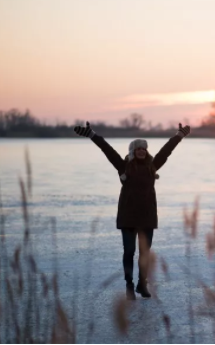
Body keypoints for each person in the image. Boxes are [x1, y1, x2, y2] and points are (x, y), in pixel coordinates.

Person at [73, 121, 191, 299]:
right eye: (138, 149)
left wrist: (179, 135)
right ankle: (129, 284)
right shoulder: (124, 167)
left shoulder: (153, 166)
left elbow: (167, 151)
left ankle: (142, 284)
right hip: (128, 217)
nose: (142, 151)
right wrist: (92, 135)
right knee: (129, 252)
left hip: (147, 218)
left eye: (144, 148)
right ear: (133, 152)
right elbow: (108, 150)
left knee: (145, 253)